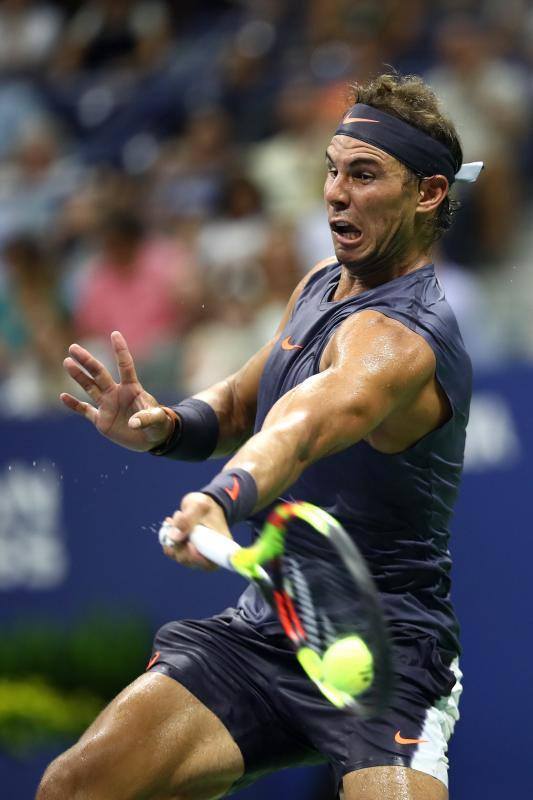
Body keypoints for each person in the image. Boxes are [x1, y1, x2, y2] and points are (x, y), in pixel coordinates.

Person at [37, 74, 478, 800]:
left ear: (427, 193)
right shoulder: (318, 283)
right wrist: (165, 427)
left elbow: (298, 431)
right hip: (266, 630)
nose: (334, 192)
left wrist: (220, 499)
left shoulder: (400, 343)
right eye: (332, 169)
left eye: (363, 175)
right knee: (76, 787)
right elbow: (246, 403)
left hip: (386, 651)